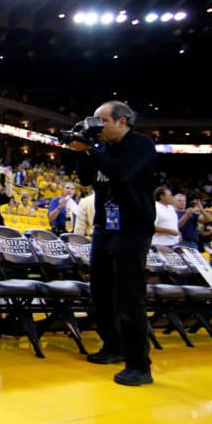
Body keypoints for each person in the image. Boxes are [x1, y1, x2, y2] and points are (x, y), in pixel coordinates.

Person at [67, 101, 158, 387]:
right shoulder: (102, 148)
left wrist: (92, 150)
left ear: (122, 121)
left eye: (102, 121)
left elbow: (121, 174)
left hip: (133, 228)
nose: (97, 126)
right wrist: (80, 152)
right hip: (105, 227)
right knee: (101, 291)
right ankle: (113, 346)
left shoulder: (140, 145)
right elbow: (86, 179)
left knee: (129, 295)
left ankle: (139, 365)